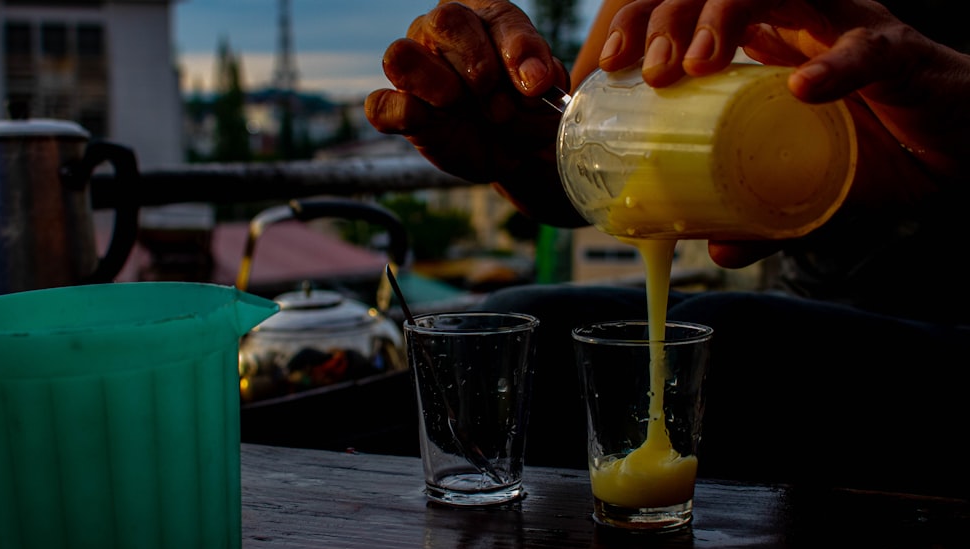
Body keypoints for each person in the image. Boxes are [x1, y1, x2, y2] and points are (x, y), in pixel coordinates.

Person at [365, 0, 970, 497]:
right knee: (526, 324)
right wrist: (516, 131)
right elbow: (584, 150)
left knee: (724, 334)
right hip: (812, 286)